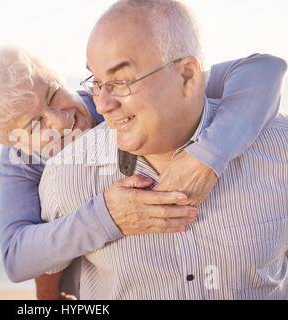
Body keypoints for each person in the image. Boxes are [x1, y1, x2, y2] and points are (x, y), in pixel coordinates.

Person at [0, 44, 286, 298]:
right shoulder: (22, 161)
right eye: (35, 124)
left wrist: (208, 156)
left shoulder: (122, 96)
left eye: (53, 95)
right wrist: (109, 216)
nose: (61, 119)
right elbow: (17, 258)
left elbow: (264, 70)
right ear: (17, 144)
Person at [39, 0, 287, 299]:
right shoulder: (66, 175)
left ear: (187, 77)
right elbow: (47, 282)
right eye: (98, 82)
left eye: (120, 81)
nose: (102, 104)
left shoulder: (278, 147)